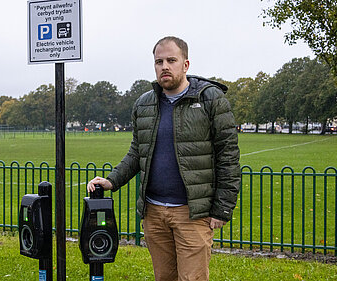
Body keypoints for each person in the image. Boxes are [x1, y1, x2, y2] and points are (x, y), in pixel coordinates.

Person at [87, 36, 240, 281]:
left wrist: (222, 209)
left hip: (192, 213)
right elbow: (138, 152)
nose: (164, 66)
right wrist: (111, 181)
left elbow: (228, 157)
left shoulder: (211, 99)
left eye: (171, 60)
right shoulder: (144, 104)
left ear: (186, 65)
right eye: (159, 61)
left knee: (192, 278)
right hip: (154, 212)